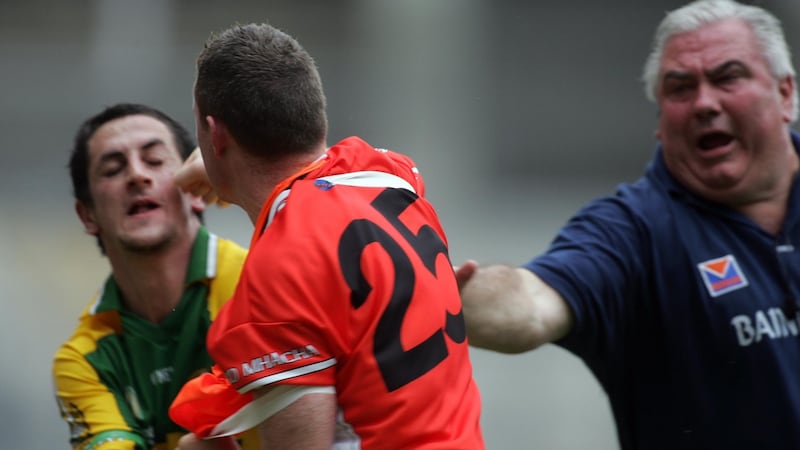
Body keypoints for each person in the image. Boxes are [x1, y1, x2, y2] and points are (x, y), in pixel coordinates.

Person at [457, 0, 800, 449]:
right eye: (679, 88)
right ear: (660, 121)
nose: (703, 103)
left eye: (727, 78)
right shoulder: (632, 231)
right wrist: (443, 296)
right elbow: (530, 305)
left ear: (785, 94)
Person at [167, 23, 484, 450]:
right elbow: (318, 172)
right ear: (313, 114)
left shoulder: (281, 269)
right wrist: (219, 166)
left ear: (216, 134)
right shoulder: (391, 178)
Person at [52, 103, 259, 450]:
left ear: (195, 187)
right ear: (87, 215)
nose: (136, 175)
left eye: (155, 161)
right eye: (112, 169)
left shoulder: (262, 282)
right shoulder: (84, 360)